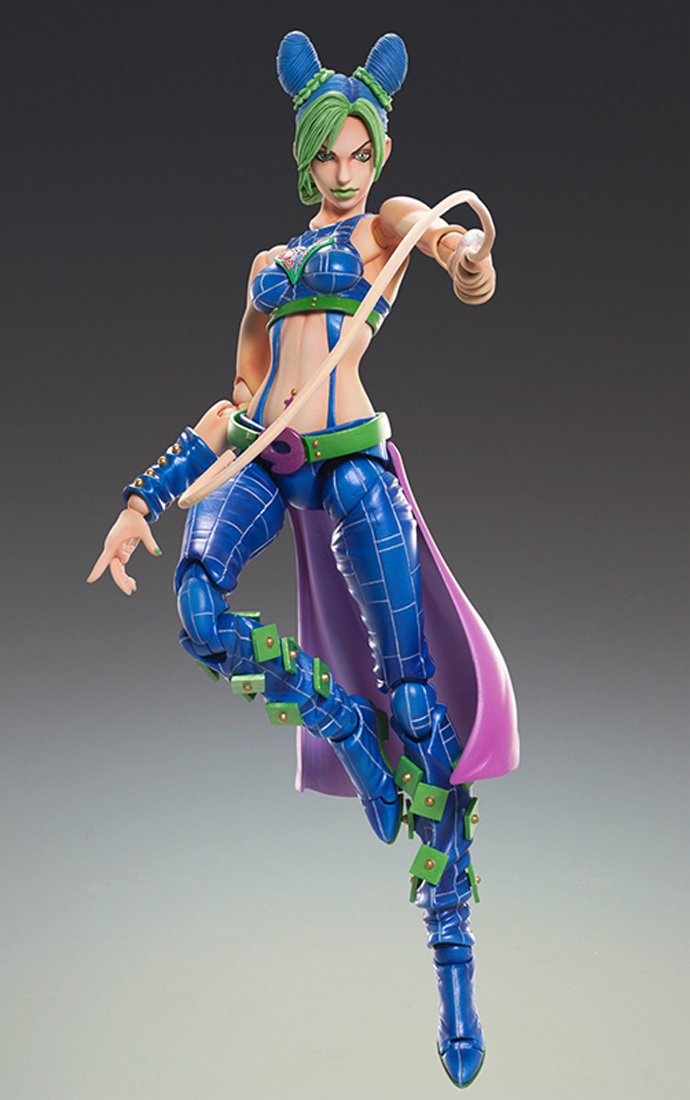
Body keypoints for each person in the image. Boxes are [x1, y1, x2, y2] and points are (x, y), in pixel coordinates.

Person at [88, 31, 519, 1089]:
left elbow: (434, 239)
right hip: (273, 460)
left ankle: (454, 969)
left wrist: (464, 254)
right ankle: (341, 724)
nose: (344, 169)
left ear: (379, 154)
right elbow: (236, 405)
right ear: (304, 155)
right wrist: (140, 503)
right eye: (328, 153)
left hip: (354, 468)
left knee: (421, 707)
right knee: (198, 609)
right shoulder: (267, 267)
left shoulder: (380, 227)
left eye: (359, 151)